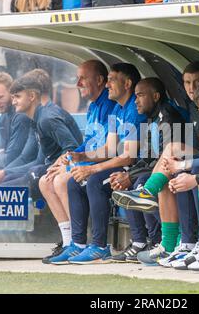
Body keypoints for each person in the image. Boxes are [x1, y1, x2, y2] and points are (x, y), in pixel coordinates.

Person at [115, 80, 199, 272]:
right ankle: (176, 244)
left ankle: (190, 243)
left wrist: (188, 172)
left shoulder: (170, 115)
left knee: (192, 171)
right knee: (176, 174)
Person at [48, 63, 147, 265]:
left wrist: (92, 168)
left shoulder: (133, 109)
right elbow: (110, 148)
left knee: (93, 181)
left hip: (136, 167)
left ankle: (100, 247)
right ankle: (78, 244)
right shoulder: (117, 109)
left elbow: (129, 157)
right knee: (75, 182)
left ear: (127, 83)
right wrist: (80, 157)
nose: (108, 85)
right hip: (119, 162)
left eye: (112, 80)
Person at [39, 60, 116, 263]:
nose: (78, 83)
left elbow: (109, 150)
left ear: (99, 80)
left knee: (62, 181)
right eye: (77, 78)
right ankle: (69, 243)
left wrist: (77, 161)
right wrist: (69, 156)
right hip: (88, 160)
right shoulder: (92, 107)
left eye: (83, 78)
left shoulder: (110, 105)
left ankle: (80, 242)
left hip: (102, 164)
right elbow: (88, 143)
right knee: (46, 180)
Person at [110, 77, 187, 263]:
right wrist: (127, 174)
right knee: (126, 183)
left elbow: (166, 160)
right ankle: (140, 242)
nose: (136, 100)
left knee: (141, 182)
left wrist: (131, 176)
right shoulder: (150, 119)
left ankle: (157, 240)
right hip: (159, 169)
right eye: (135, 96)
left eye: (141, 95)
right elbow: (147, 158)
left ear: (156, 96)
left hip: (180, 167)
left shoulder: (168, 117)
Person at [0, 69, 83, 192]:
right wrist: (5, 173)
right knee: (7, 181)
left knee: (4, 186)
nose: (13, 102)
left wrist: (60, 164)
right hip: (45, 168)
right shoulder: (37, 118)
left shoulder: (46, 118)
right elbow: (38, 159)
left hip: (64, 173)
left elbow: (72, 147)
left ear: (32, 96)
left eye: (17, 96)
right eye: (13, 97)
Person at [0, 72, 31, 175]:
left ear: (12, 93)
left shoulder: (21, 117)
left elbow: (9, 159)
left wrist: (0, 155)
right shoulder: (3, 118)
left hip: (23, 172)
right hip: (9, 171)